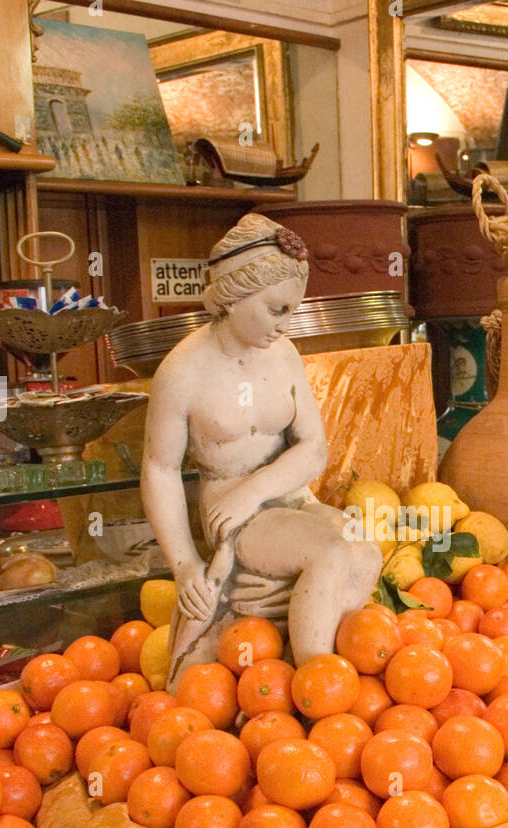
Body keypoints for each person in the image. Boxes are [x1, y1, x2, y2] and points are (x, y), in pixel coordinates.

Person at [141, 213, 382, 687]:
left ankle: (322, 643)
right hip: (231, 512)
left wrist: (258, 489)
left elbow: (313, 447)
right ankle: (319, 685)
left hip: (284, 496)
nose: (285, 325)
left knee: (366, 549)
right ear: (233, 295)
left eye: (292, 310)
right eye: (276, 310)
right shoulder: (182, 372)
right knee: (330, 550)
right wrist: (186, 564)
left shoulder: (285, 355)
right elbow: (159, 470)